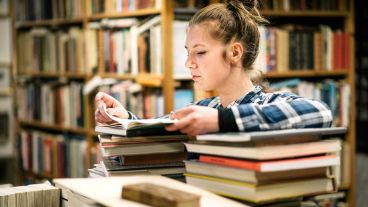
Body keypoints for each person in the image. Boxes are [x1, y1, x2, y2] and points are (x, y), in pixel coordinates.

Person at [95, 0, 332, 136]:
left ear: (234, 53)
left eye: (200, 52)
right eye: (188, 52)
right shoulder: (204, 108)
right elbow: (160, 126)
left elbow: (321, 113)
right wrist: (125, 118)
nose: (189, 63)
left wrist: (222, 120)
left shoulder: (271, 103)